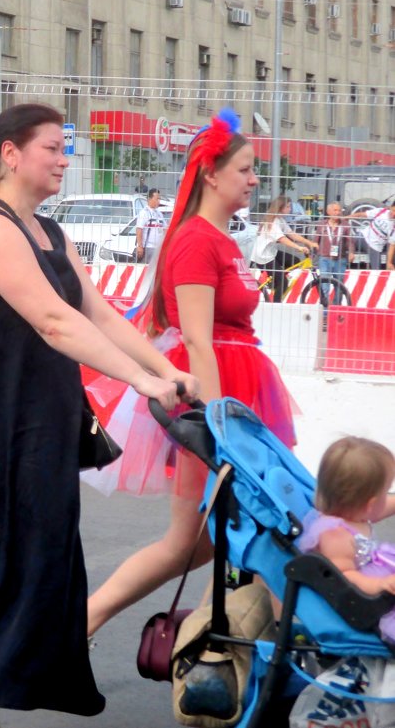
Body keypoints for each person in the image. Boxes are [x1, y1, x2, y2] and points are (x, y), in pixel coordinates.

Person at [0, 103, 192, 728]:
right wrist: (140, 381)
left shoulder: (48, 230)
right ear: (10, 153)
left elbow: (98, 313)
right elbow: (55, 322)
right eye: (53, 147)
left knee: (35, 566)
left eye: (66, 148)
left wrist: (163, 371)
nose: (65, 158)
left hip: (39, 426)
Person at [86, 109, 299, 640]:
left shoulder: (222, 239)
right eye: (247, 169)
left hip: (241, 390)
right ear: (211, 173)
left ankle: (220, 644)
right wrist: (223, 426)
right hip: (220, 396)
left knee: (224, 535)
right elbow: (198, 340)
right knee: (196, 539)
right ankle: (88, 620)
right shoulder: (197, 241)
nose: (255, 180)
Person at [297, 437, 395, 642]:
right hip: (364, 598)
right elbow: (343, 576)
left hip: (379, 568)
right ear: (370, 503)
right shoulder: (335, 535)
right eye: (386, 493)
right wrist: (379, 584)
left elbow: (380, 510)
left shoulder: (354, 512)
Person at [250, 195, 318, 302]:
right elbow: (282, 239)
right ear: (280, 207)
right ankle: (276, 303)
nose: (290, 209)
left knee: (295, 261)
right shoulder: (272, 222)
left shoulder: (280, 219)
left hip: (272, 252)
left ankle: (276, 281)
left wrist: (308, 242)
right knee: (283, 283)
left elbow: (291, 234)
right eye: (288, 206)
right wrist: (298, 247)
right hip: (263, 256)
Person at [315, 201, 355, 299]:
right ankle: (325, 310)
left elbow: (350, 241)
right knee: (325, 286)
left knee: (339, 286)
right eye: (335, 210)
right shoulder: (322, 224)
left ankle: (336, 310)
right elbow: (316, 240)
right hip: (324, 258)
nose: (337, 213)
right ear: (328, 212)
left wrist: (351, 252)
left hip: (340, 259)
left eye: (339, 210)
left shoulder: (345, 225)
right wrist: (313, 254)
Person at [356, 203, 395, 270]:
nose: (394, 214)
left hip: (374, 247)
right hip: (362, 237)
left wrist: (389, 262)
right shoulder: (381, 211)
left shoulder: (393, 226)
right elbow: (362, 214)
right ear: (391, 207)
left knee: (377, 270)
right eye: (393, 210)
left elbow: (392, 245)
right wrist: (346, 218)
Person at [135, 188, 166, 264]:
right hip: (148, 247)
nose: (159, 201)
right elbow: (139, 229)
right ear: (149, 199)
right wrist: (140, 246)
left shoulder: (159, 213)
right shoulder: (144, 213)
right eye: (156, 199)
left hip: (158, 248)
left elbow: (165, 228)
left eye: (159, 199)